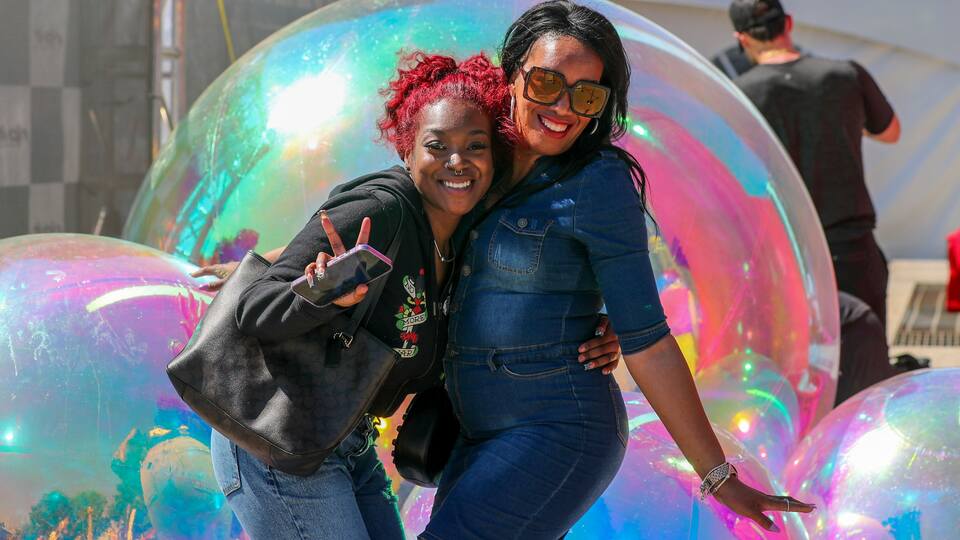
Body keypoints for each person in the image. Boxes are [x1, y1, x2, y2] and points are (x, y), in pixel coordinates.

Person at [422, 3, 814, 539]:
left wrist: (718, 475)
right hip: (472, 427)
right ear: (512, 74)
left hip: (558, 430)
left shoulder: (599, 182)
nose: (563, 107)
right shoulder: (474, 155)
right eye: (545, 82)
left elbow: (648, 342)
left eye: (587, 94)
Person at [207, 51, 620, 540]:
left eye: (475, 146)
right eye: (436, 145)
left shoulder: (471, 229)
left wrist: (601, 321)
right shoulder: (380, 209)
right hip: (274, 439)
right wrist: (323, 293)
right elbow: (254, 309)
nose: (457, 162)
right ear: (407, 151)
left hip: (347, 441)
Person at [727, 0, 900, 329]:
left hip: (785, 254)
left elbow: (739, 178)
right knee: (867, 356)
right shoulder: (847, 74)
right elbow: (891, 132)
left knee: (798, 364)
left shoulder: (739, 94)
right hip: (852, 248)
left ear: (742, 38)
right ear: (788, 23)